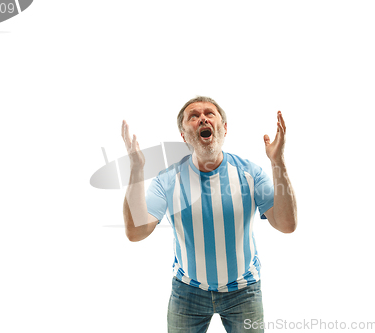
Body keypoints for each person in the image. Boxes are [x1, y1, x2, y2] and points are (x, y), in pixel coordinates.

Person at [122, 96, 297, 333]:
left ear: (224, 129)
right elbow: (136, 232)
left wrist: (277, 162)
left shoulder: (250, 173)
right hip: (187, 292)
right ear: (184, 135)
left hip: (244, 290)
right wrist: (136, 170)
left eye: (209, 113)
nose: (202, 117)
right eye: (193, 116)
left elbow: (287, 224)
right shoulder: (168, 179)